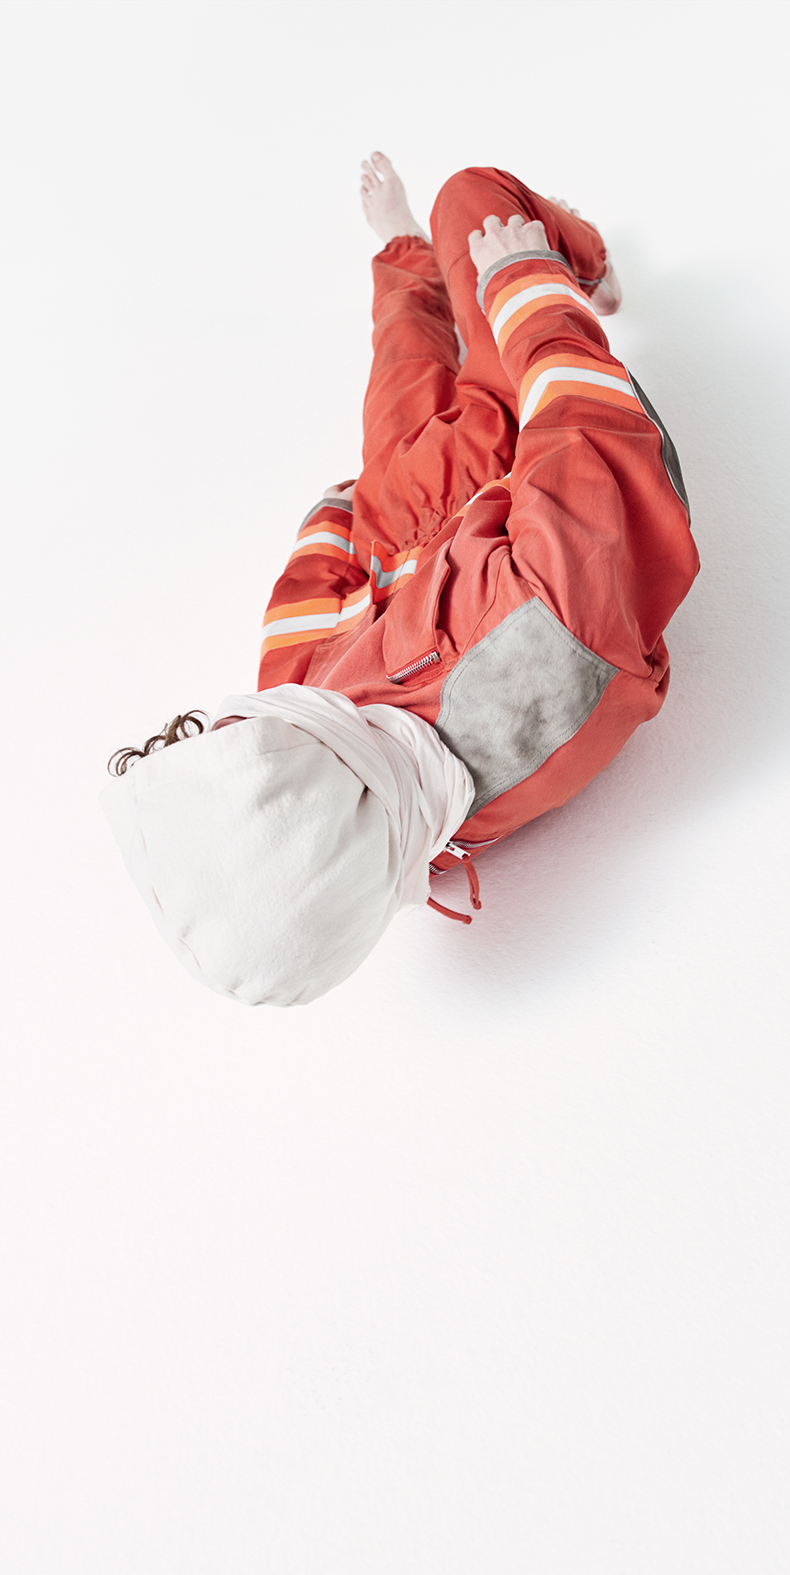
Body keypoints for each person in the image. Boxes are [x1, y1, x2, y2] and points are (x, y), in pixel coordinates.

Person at [101, 156, 699, 1006]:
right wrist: (527, 289)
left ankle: (406, 253)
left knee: (402, 367)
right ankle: (583, 265)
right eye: (212, 745)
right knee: (474, 199)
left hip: (402, 519)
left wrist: (346, 508)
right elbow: (597, 451)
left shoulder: (299, 728)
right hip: (531, 444)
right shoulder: (531, 678)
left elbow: (307, 592)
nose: (217, 727)